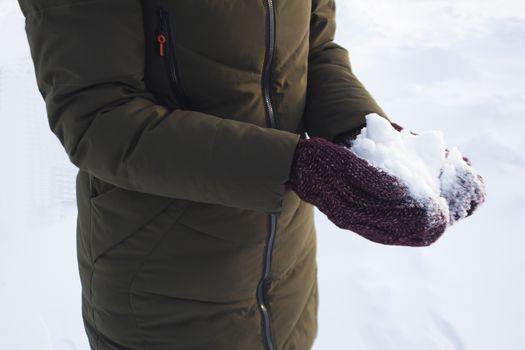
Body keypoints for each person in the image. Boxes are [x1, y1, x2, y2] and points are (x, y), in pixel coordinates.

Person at [17, 0, 485, 349]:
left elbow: (314, 51)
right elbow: (99, 117)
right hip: (162, 297)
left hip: (287, 283)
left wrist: (378, 145)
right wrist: (291, 165)